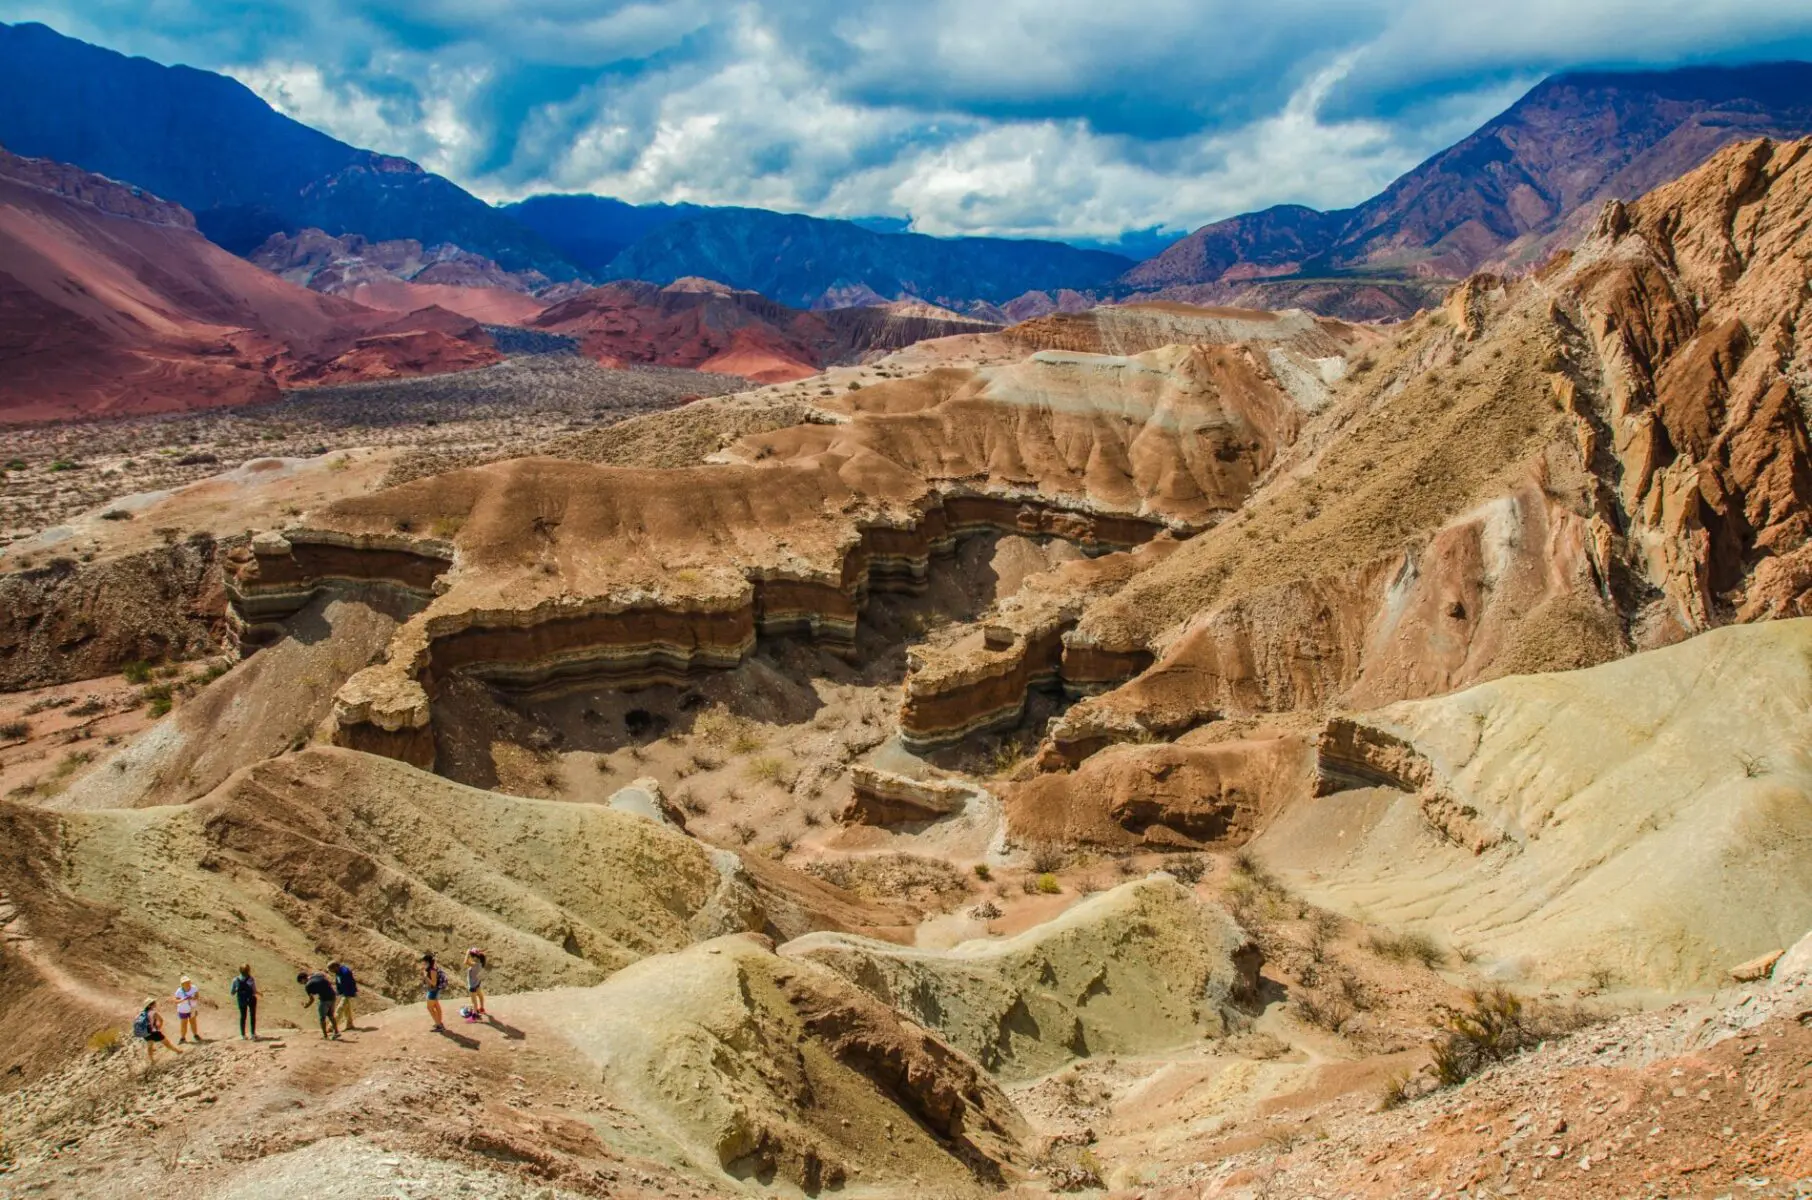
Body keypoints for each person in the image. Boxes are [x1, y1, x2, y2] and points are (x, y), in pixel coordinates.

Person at [133, 998, 181, 1065]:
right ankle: (178, 1051)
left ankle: (152, 1060)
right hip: (154, 1032)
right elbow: (161, 1020)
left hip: (146, 1032)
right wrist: (159, 1028)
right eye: (154, 1003)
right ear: (150, 1005)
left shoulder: (142, 1013)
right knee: (166, 1043)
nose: (155, 1003)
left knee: (150, 1046)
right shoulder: (153, 1012)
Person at [298, 968, 340, 1040]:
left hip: (324, 1000)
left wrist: (305, 1006)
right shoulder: (317, 975)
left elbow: (312, 999)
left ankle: (325, 1036)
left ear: (302, 979)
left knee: (322, 1018)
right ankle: (336, 1032)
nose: (303, 984)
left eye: (301, 982)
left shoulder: (308, 985)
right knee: (331, 1015)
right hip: (333, 996)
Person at [229, 964, 258, 1040]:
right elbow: (254, 991)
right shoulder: (251, 979)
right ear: (248, 971)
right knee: (252, 1016)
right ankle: (252, 1034)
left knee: (242, 1017)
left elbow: (232, 993)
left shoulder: (235, 980)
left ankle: (243, 1035)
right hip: (251, 999)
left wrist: (237, 989)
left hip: (241, 999)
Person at [421, 953, 447, 1031]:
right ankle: (439, 1022)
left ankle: (439, 1025)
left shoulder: (432, 970)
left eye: (424, 962)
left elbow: (434, 983)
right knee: (436, 1007)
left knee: (430, 1008)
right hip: (433, 990)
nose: (423, 963)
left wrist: (425, 977)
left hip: (433, 991)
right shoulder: (432, 968)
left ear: (428, 962)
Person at [329, 960, 358, 1031]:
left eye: (331, 969)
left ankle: (332, 1026)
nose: (331, 971)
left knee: (340, 1008)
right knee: (346, 1009)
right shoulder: (338, 972)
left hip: (347, 992)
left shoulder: (345, 972)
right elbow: (338, 982)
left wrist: (349, 993)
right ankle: (349, 1024)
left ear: (335, 967)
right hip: (344, 992)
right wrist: (339, 992)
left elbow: (350, 983)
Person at [173, 975, 202, 1043]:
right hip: (183, 1010)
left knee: (193, 1022)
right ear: (182, 984)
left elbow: (197, 996)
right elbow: (175, 1001)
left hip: (192, 1008)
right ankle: (183, 1038)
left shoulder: (194, 987)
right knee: (184, 1024)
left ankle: (195, 1035)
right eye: (186, 982)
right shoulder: (179, 991)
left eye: (189, 982)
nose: (188, 984)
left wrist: (192, 998)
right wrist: (183, 999)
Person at [462, 948, 487, 1019]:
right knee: (480, 996)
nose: (471, 957)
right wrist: (473, 953)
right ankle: (482, 1008)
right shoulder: (480, 963)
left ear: (475, 957)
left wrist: (467, 953)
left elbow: (465, 962)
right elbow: (470, 961)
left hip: (473, 985)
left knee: (474, 1002)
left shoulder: (475, 965)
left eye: (472, 956)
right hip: (477, 983)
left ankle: (474, 1015)